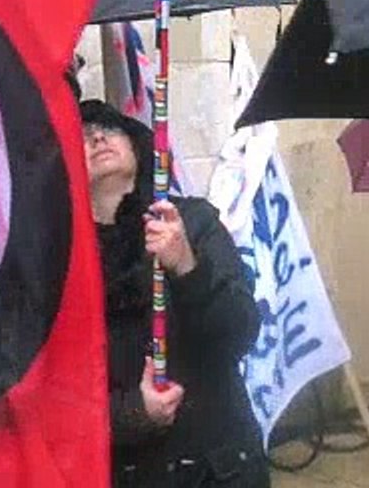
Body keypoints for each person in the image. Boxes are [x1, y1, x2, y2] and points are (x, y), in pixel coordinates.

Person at [80, 99, 265, 488]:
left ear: (136, 145)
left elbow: (240, 333)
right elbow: (55, 392)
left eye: (110, 128)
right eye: (83, 135)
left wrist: (186, 266)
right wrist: (132, 413)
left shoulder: (192, 221)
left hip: (218, 466)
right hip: (130, 472)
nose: (98, 138)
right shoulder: (61, 259)